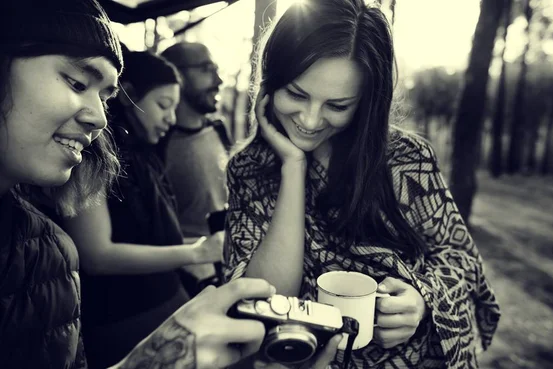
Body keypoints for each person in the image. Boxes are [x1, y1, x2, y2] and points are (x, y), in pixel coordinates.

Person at [0, 1, 341, 368]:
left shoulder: (49, 252)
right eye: (77, 83)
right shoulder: (99, 180)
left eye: (105, 97)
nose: (100, 117)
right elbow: (100, 252)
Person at [223, 1, 501, 368]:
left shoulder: (405, 158)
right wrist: (293, 167)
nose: (309, 120)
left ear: (367, 101)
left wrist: (420, 300)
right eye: (296, 94)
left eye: (337, 105)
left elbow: (461, 259)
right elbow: (266, 296)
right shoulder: (250, 171)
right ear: (269, 81)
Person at [53, 49, 222, 368]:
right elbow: (97, 256)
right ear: (128, 96)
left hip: (165, 307)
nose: (171, 119)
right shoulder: (91, 154)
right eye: (163, 105)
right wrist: (196, 253)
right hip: (123, 321)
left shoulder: (145, 152)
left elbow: (154, 242)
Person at [159, 42, 232, 289]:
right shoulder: (156, 145)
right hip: (188, 279)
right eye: (206, 69)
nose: (219, 79)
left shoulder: (219, 129)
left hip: (230, 264)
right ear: (175, 74)